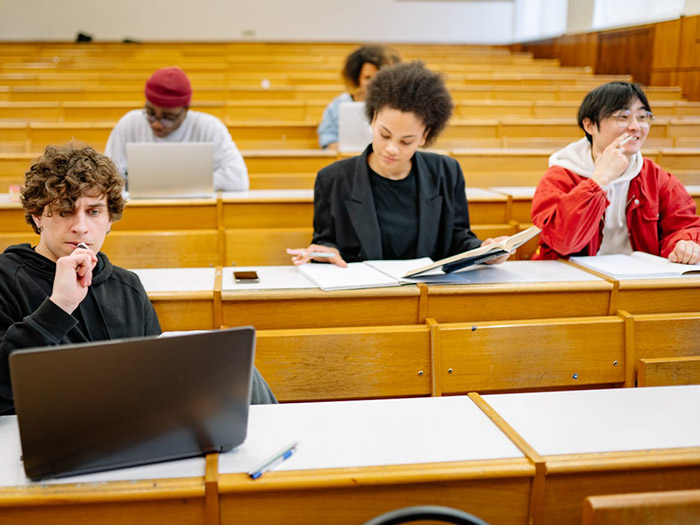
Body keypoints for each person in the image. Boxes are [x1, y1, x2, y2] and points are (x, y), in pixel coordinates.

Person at [0, 143, 275, 416]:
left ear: (109, 220)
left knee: (237, 367)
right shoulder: (6, 278)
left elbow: (150, 380)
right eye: (65, 211)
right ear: (37, 216)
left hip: (125, 426)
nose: (81, 227)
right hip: (42, 429)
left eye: (94, 212)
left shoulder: (127, 286)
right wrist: (58, 307)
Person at [293, 62, 510, 267]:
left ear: (425, 136)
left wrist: (484, 250)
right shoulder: (332, 179)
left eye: (406, 141)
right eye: (384, 135)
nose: (392, 149)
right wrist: (324, 251)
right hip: (362, 297)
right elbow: (326, 241)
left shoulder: (446, 172)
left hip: (427, 294)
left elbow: (458, 237)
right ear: (374, 118)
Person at [531, 81, 700, 263]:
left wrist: (684, 243)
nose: (635, 126)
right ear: (589, 125)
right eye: (622, 117)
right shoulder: (561, 175)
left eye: (642, 117)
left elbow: (684, 224)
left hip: (638, 280)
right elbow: (563, 242)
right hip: (573, 280)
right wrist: (599, 180)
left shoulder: (655, 176)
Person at [105, 66, 249, 191]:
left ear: (185, 110)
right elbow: (107, 177)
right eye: (150, 113)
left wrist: (176, 185)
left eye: (168, 117)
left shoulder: (209, 127)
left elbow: (238, 178)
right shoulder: (129, 123)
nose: (157, 124)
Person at [317, 45, 400, 150]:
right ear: (357, 78)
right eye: (367, 78)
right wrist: (335, 146)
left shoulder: (395, 105)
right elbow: (327, 136)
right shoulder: (339, 104)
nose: (373, 83)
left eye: (378, 78)